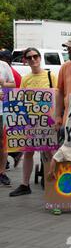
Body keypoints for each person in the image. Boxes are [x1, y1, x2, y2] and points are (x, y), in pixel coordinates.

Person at [9, 48, 57, 197]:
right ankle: (24, 184)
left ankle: (53, 183)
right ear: (26, 60)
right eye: (29, 57)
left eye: (35, 56)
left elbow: (57, 96)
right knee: (28, 152)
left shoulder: (50, 75)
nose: (33, 59)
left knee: (49, 152)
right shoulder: (25, 79)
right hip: (30, 121)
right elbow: (20, 99)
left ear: (40, 58)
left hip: (47, 121)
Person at [0, 56, 16, 186]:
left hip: (2, 111)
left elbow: (13, 84)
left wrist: (4, 85)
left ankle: (2, 172)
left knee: (3, 142)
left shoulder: (4, 65)